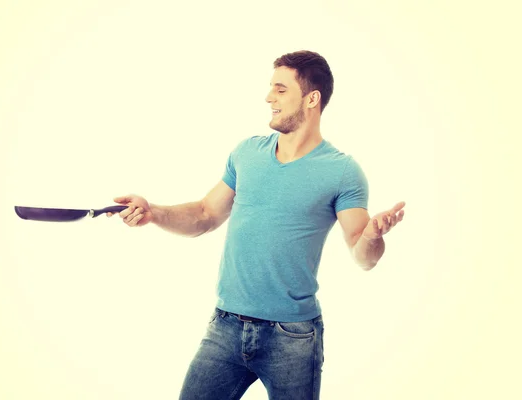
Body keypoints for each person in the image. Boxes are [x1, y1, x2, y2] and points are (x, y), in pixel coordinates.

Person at [107, 50, 405, 399]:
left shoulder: (342, 171)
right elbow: (205, 215)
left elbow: (364, 256)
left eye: (280, 89)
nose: (268, 97)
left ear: (312, 98)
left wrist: (372, 234)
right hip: (226, 327)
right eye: (270, 88)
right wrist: (153, 212)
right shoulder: (246, 153)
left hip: (292, 337)